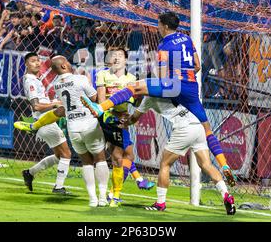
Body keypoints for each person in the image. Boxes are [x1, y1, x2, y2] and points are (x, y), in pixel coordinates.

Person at [81, 11, 236, 186]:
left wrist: (162, 87)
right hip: (191, 87)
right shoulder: (187, 39)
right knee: (207, 130)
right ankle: (224, 166)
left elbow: (161, 73)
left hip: (173, 85)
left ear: (165, 26)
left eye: (159, 24)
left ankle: (100, 108)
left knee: (134, 87)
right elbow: (198, 66)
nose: (158, 27)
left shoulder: (164, 44)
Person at [121, 96, 236, 215]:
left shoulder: (149, 97)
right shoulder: (170, 87)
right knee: (206, 165)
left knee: (165, 164)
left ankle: (160, 203)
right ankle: (226, 195)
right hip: (198, 124)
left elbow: (134, 118)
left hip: (184, 127)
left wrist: (124, 122)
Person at [96, 48, 154, 207]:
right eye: (113, 56)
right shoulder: (103, 74)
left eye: (120, 56)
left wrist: (138, 99)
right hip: (108, 118)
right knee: (119, 156)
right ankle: (115, 194)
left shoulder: (131, 78)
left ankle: (126, 186)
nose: (116, 58)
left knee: (127, 155)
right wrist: (107, 115)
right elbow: (101, 100)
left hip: (122, 120)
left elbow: (132, 101)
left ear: (126, 60)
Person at [51, 56, 109, 207]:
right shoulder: (81, 79)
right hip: (89, 123)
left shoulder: (56, 85)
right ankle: (102, 197)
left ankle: (92, 199)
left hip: (73, 128)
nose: (70, 64)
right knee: (100, 158)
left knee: (86, 162)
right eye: (67, 62)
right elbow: (95, 99)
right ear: (63, 66)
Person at [20, 52, 72, 194]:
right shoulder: (30, 81)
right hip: (44, 121)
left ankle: (29, 173)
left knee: (58, 156)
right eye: (32, 61)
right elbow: (35, 106)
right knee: (66, 154)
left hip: (47, 120)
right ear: (26, 64)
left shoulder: (35, 79)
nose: (37, 63)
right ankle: (59, 187)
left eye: (38, 61)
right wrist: (54, 105)